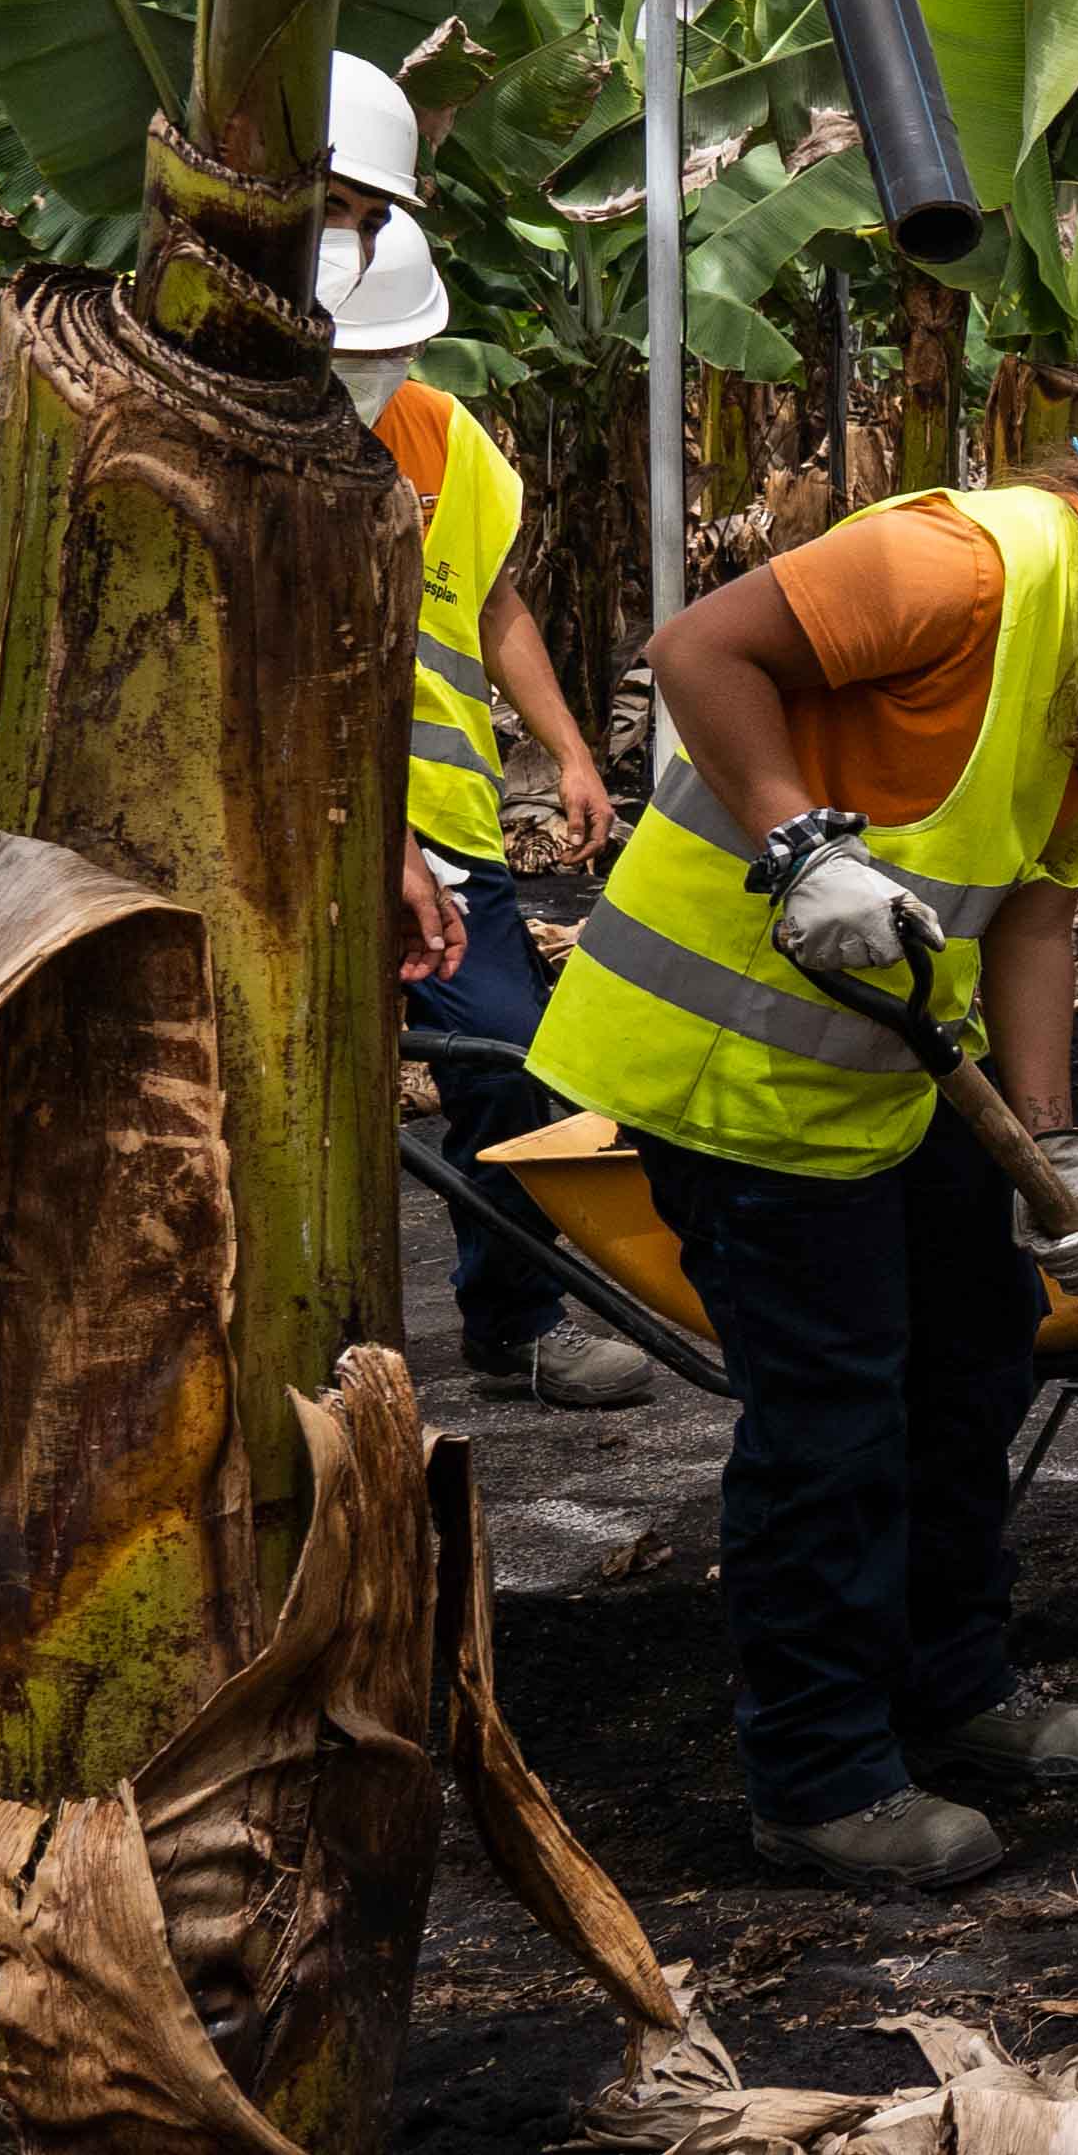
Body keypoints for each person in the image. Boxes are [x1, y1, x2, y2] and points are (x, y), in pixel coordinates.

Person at [527, 321, 1078, 1893]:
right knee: (835, 1418)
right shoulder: (971, 561)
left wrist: (1050, 1152)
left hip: (891, 1066)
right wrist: (801, 847)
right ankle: (817, 1775)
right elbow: (696, 648)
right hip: (729, 1066)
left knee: (973, 1363)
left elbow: (1040, 906)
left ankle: (953, 1687)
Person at [0, 53, 431, 827]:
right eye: (329, 206)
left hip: (123, 803)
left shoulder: (297, 404)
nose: (348, 244)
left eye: (371, 222)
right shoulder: (57, 360)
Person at [335, 224, 648, 1405]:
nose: (372, 373)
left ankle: (516, 1323)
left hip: (449, 831)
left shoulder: (441, 433)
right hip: (287, 828)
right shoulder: (231, 429)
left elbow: (497, 596)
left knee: (512, 1061)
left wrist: (569, 749)